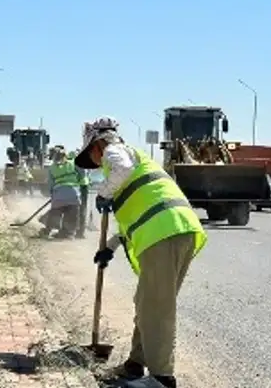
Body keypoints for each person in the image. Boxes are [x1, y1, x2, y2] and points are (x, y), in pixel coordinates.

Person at [74, 116, 207, 388]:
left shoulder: (115, 151)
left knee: (156, 306)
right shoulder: (134, 168)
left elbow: (119, 169)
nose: (98, 164)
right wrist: (109, 248)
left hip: (166, 231)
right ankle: (135, 365)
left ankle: (161, 378)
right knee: (147, 302)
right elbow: (137, 218)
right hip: (172, 229)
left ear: (97, 144)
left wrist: (104, 193)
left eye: (92, 156)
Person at [38, 147, 82, 238]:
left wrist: (52, 194)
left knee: (54, 214)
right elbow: (81, 175)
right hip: (74, 195)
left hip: (59, 194)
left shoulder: (52, 168)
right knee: (71, 215)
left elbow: (50, 184)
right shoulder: (73, 163)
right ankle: (68, 233)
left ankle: (47, 231)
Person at [73, 150, 92, 238]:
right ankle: (80, 231)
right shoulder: (87, 161)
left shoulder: (78, 162)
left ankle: (79, 231)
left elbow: (82, 173)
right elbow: (87, 174)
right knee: (82, 208)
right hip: (85, 185)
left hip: (80, 186)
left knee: (79, 208)